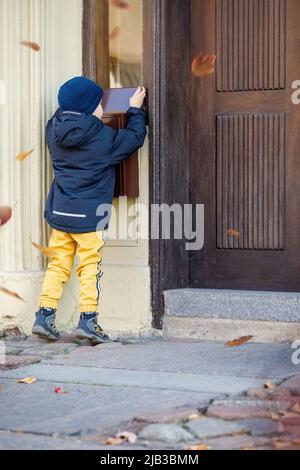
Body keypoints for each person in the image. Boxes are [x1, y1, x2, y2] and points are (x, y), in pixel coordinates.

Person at [32, 76, 147, 344]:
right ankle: (88, 320)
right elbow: (133, 138)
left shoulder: (53, 130)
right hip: (89, 217)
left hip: (61, 213)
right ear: (89, 108)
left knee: (57, 265)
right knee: (89, 267)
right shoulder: (103, 138)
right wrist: (135, 110)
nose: (102, 109)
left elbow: (66, 114)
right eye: (99, 105)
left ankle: (44, 315)